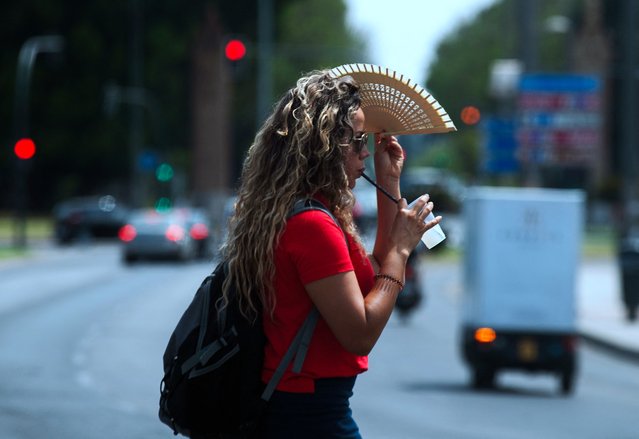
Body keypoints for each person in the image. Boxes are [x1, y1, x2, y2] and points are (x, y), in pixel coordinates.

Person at [220, 69, 442, 438]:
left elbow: (371, 279)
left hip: (302, 405)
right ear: (324, 145)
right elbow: (360, 333)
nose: (365, 152)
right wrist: (403, 249)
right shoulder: (313, 226)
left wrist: (388, 182)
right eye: (357, 141)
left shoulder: (306, 210)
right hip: (309, 413)